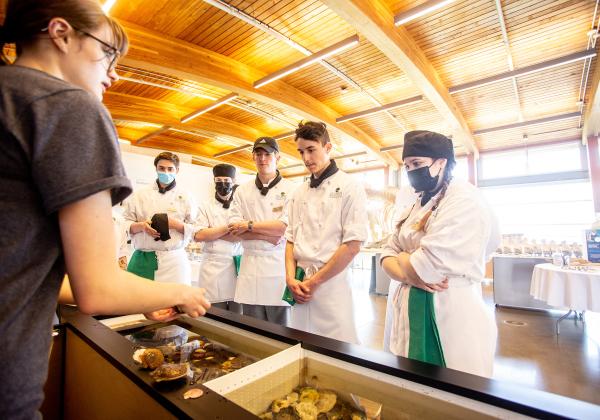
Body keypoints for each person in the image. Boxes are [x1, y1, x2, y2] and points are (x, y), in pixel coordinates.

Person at [0, 1, 210, 417]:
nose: (114, 73)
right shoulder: (68, 106)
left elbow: (21, 272)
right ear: (60, 33)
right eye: (108, 54)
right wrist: (182, 293)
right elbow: (98, 290)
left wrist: (141, 296)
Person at [381, 130, 500, 377]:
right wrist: (405, 261)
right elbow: (386, 252)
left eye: (417, 164)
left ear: (441, 162)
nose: (412, 171)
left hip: (449, 306)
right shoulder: (421, 200)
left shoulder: (464, 199)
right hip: (411, 302)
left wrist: (403, 258)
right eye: (407, 165)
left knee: (447, 387)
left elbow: (428, 267)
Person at [285, 121, 368, 344]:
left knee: (337, 351)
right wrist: (291, 278)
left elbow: (352, 246)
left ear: (328, 148)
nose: (306, 158)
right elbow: (290, 239)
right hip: (300, 285)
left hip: (331, 284)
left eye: (311, 150)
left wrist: (313, 283)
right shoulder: (299, 191)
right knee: (301, 347)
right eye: (301, 152)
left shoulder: (350, 186)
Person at [228, 137, 293, 324]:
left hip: (277, 265)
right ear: (253, 157)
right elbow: (233, 227)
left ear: (277, 157)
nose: (262, 159)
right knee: (252, 327)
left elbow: (283, 228)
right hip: (250, 265)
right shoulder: (242, 191)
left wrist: (248, 226)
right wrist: (269, 234)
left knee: (280, 329)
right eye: (258, 154)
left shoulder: (290, 189)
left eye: (267, 154)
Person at [123, 151, 197, 285]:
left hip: (174, 261)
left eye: (170, 169)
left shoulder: (186, 197)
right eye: (161, 168)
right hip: (144, 257)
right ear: (156, 169)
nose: (166, 172)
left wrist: (176, 225)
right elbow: (124, 223)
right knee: (140, 302)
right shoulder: (140, 195)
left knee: (175, 303)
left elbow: (196, 229)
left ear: (177, 170)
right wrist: (141, 226)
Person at [193, 164, 243, 312]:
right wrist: (228, 228)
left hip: (236, 265)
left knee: (238, 315)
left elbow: (240, 237)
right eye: (218, 180)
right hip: (212, 267)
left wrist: (212, 233)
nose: (222, 184)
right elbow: (199, 235)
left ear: (233, 181)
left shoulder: (240, 205)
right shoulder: (205, 206)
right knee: (214, 312)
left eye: (226, 180)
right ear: (214, 181)